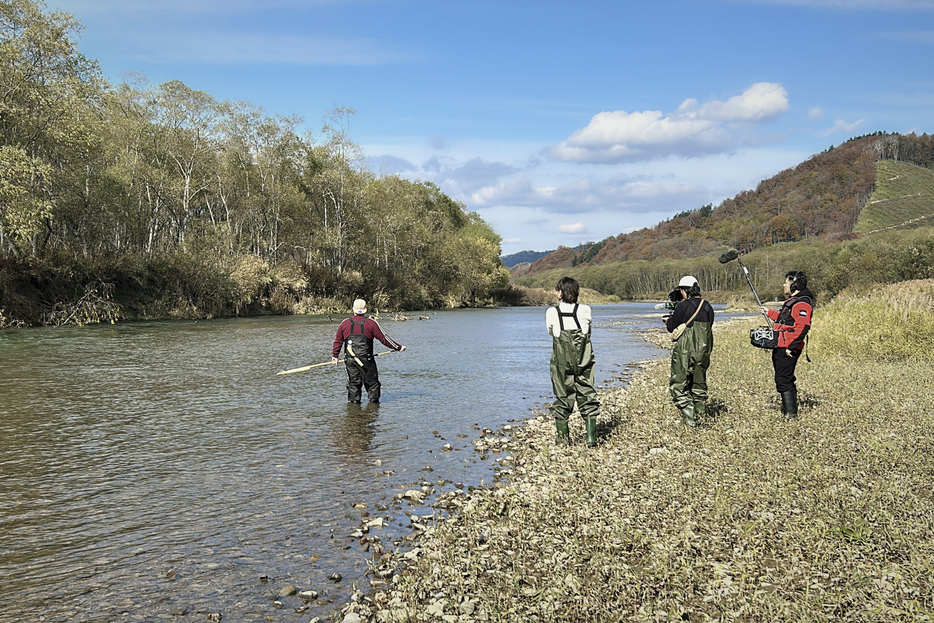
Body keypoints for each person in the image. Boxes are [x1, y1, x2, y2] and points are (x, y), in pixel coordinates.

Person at [545, 277, 600, 446]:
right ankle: (591, 437)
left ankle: (563, 439)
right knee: (587, 392)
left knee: (562, 394)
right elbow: (588, 331)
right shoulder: (585, 310)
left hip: (562, 360)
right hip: (583, 357)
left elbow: (551, 332)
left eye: (557, 290)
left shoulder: (551, 312)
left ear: (561, 293)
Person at [758, 271, 813, 419]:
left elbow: (803, 327)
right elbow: (785, 320)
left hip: (788, 347)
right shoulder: (793, 302)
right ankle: (790, 411)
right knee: (785, 377)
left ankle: (790, 414)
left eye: (786, 282)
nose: (784, 285)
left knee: (783, 379)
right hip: (781, 344)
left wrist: (792, 347)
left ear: (795, 284)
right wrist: (769, 312)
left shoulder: (802, 303)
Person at [332, 299, 406, 404]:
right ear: (365, 310)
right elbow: (384, 339)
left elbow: (338, 341)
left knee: (353, 384)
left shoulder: (345, 323)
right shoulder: (371, 323)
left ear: (353, 310)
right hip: (367, 360)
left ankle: (354, 413)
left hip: (350, 360)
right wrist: (398, 347)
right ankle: (373, 411)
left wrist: (335, 356)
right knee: (372, 384)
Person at [664, 276, 715, 427]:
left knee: (679, 384)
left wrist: (668, 321)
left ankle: (690, 418)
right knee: (699, 383)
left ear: (684, 290)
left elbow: (673, 327)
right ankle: (701, 416)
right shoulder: (708, 306)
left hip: (685, 350)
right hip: (704, 349)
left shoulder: (682, 306)